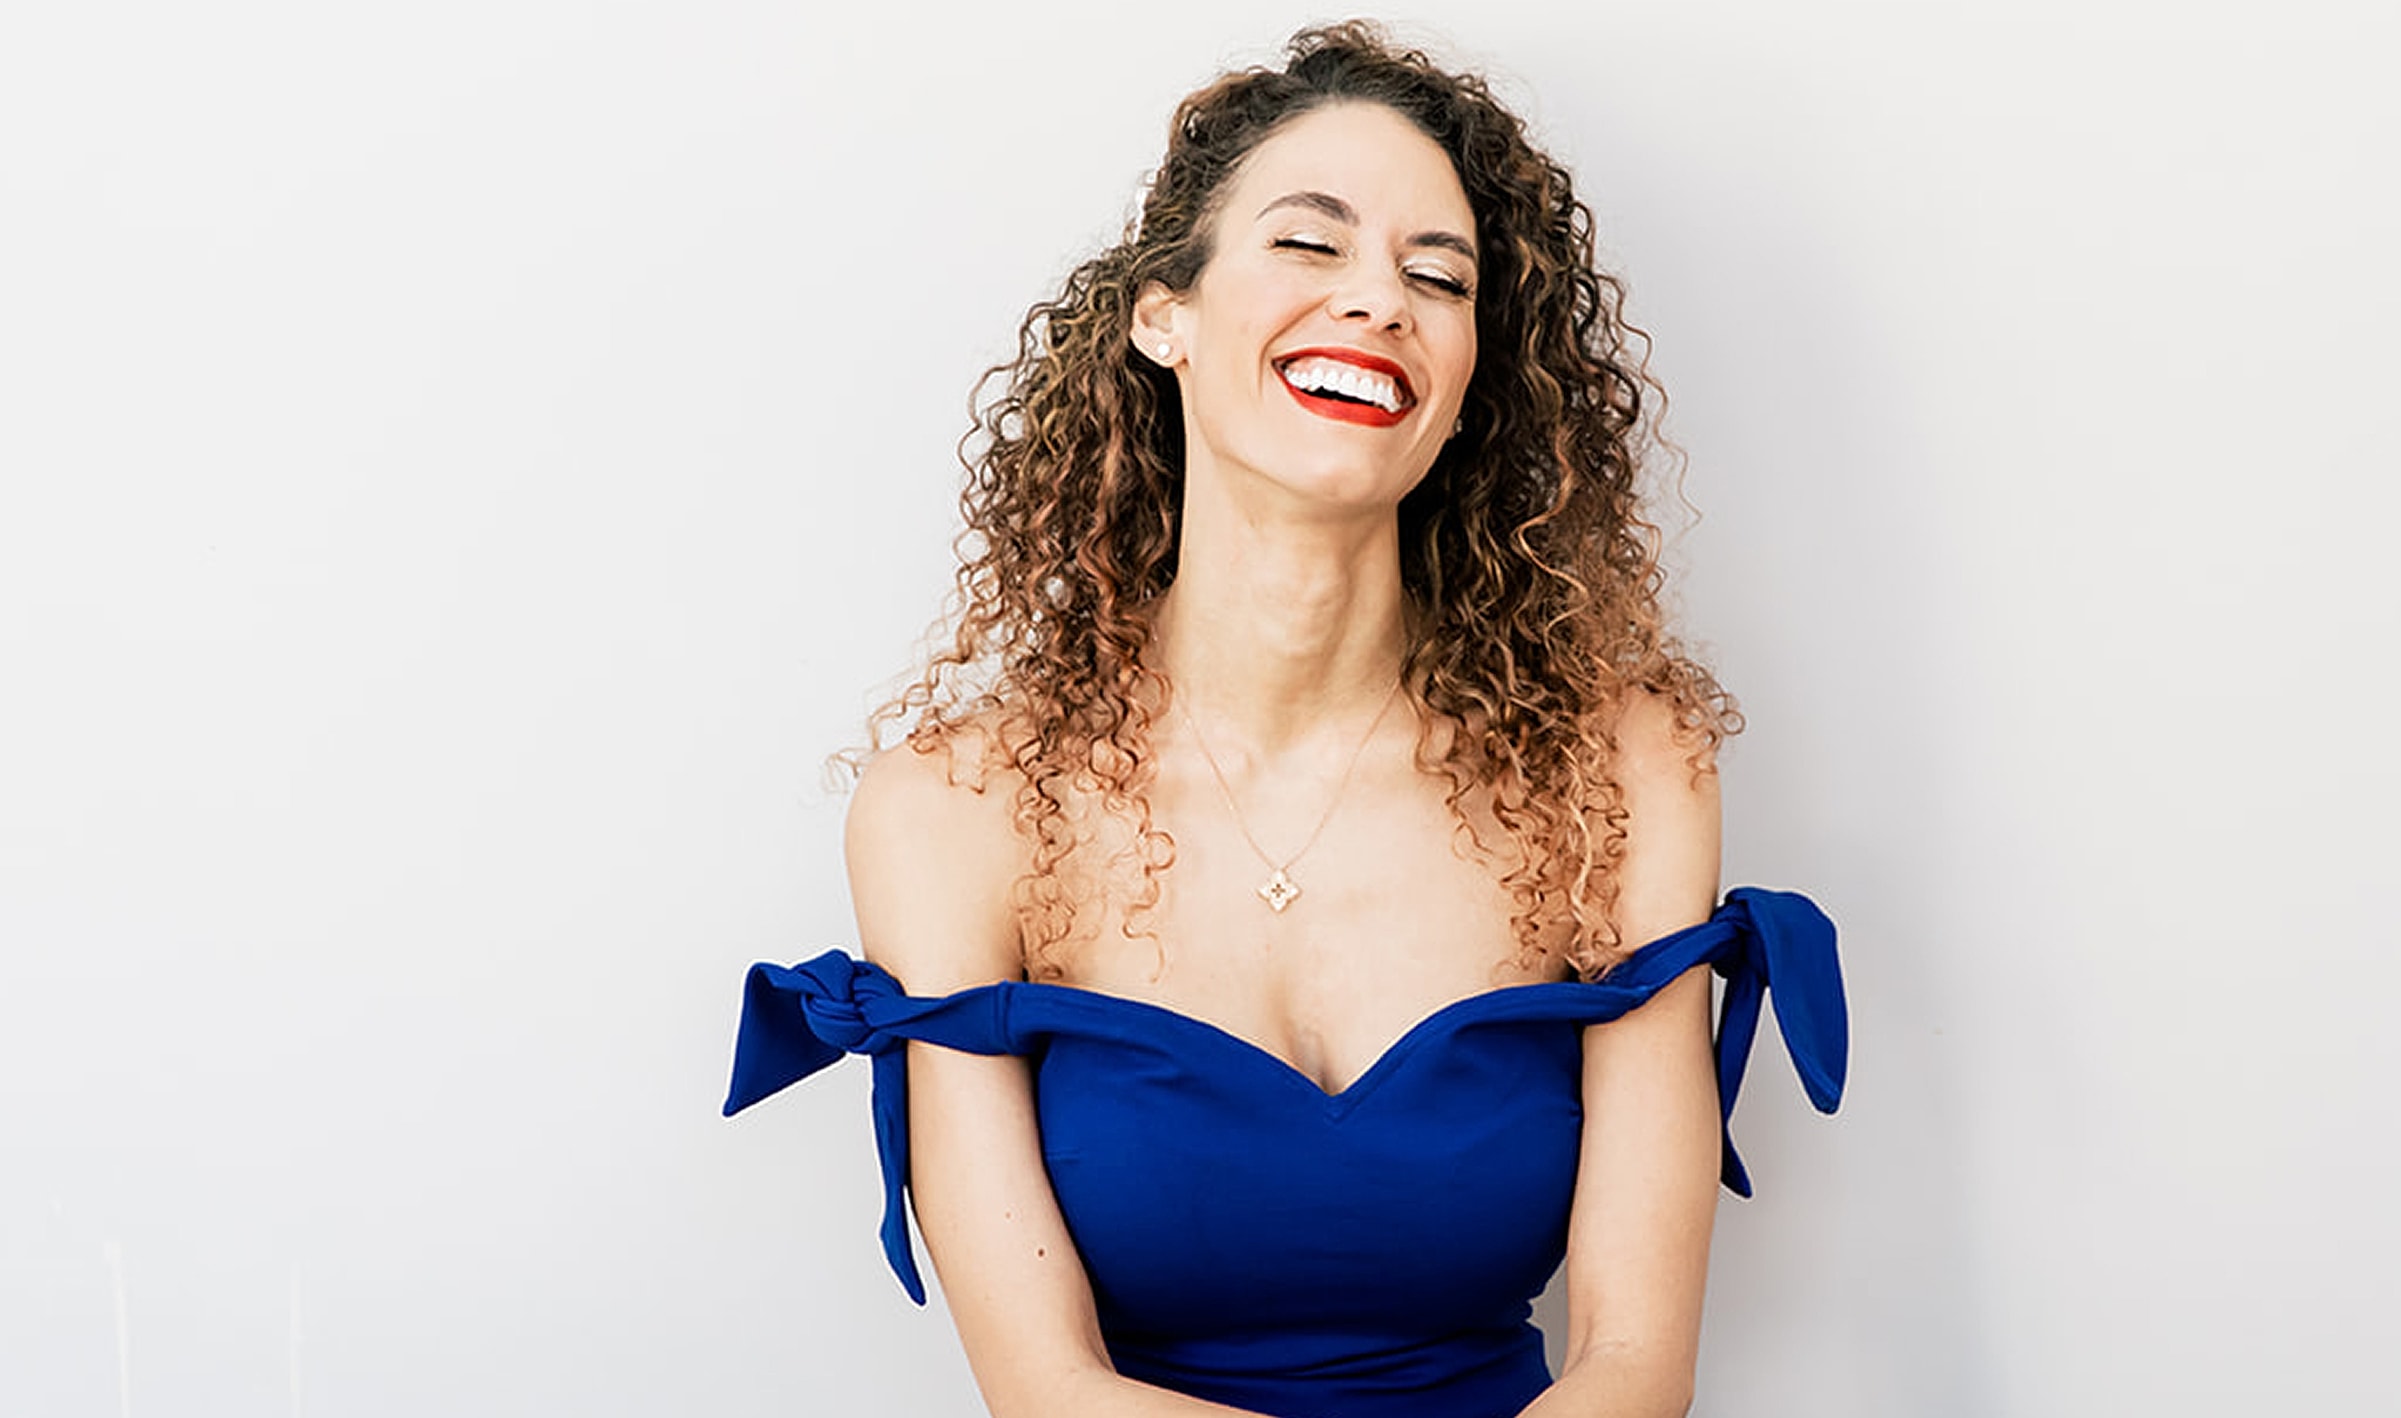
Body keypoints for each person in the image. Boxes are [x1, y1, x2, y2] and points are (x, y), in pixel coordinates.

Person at [726, 22, 1845, 1418]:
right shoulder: (954, 810)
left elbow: (1634, 1361)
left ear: (1465, 388)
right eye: (1311, 247)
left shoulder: (1620, 767)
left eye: (1437, 277)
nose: (1381, 301)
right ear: (1164, 317)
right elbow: (1044, 1387)